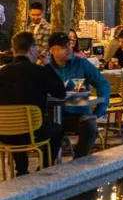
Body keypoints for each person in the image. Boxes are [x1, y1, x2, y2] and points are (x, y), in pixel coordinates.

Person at [0, 31, 65, 175]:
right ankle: (42, 169)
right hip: (33, 132)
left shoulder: (2, 72)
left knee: (15, 122)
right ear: (31, 49)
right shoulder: (38, 72)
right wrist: (48, 65)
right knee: (57, 130)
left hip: (3, 133)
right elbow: (61, 92)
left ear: (14, 49)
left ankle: (21, 170)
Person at [48, 32, 110, 158]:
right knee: (44, 129)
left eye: (69, 45)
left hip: (78, 113)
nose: (68, 49)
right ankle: (46, 167)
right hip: (52, 114)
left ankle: (78, 162)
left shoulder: (81, 64)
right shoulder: (46, 66)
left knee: (90, 126)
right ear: (52, 50)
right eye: (63, 47)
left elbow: (103, 83)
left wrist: (99, 110)